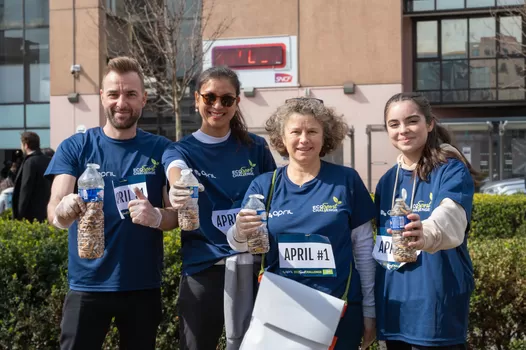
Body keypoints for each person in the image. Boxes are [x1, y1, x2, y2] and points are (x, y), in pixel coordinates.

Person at [45, 56, 177, 350]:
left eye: (130, 94)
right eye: (114, 94)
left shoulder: (161, 149)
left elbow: (176, 216)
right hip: (87, 285)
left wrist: (157, 216)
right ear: (102, 96)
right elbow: (54, 208)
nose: (122, 103)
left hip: (142, 286)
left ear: (143, 99)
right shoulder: (77, 147)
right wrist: (64, 212)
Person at [228, 98, 377, 350]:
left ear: (325, 136)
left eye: (312, 131)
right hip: (280, 313)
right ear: (282, 138)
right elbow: (239, 244)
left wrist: (370, 309)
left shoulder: (346, 181)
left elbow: (363, 251)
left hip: (339, 311)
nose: (304, 139)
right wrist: (239, 230)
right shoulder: (264, 186)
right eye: (295, 132)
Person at [162, 66, 276, 350]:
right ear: (196, 98)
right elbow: (176, 171)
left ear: (237, 103)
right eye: (210, 97)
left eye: (226, 99)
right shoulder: (181, 150)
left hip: (255, 267)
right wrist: (179, 188)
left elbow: (276, 197)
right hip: (205, 268)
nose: (217, 105)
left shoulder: (256, 148)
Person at [373, 92, 477, 350]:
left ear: (429, 124)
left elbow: (450, 216)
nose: (403, 130)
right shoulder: (387, 181)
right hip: (395, 305)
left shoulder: (451, 168)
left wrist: (426, 233)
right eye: (394, 124)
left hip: (435, 307)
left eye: (412, 121)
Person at [12, 131, 52, 222]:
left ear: (26, 145)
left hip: (31, 216)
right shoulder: (48, 160)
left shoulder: (30, 162)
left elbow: (25, 189)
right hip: (47, 211)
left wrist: (19, 215)